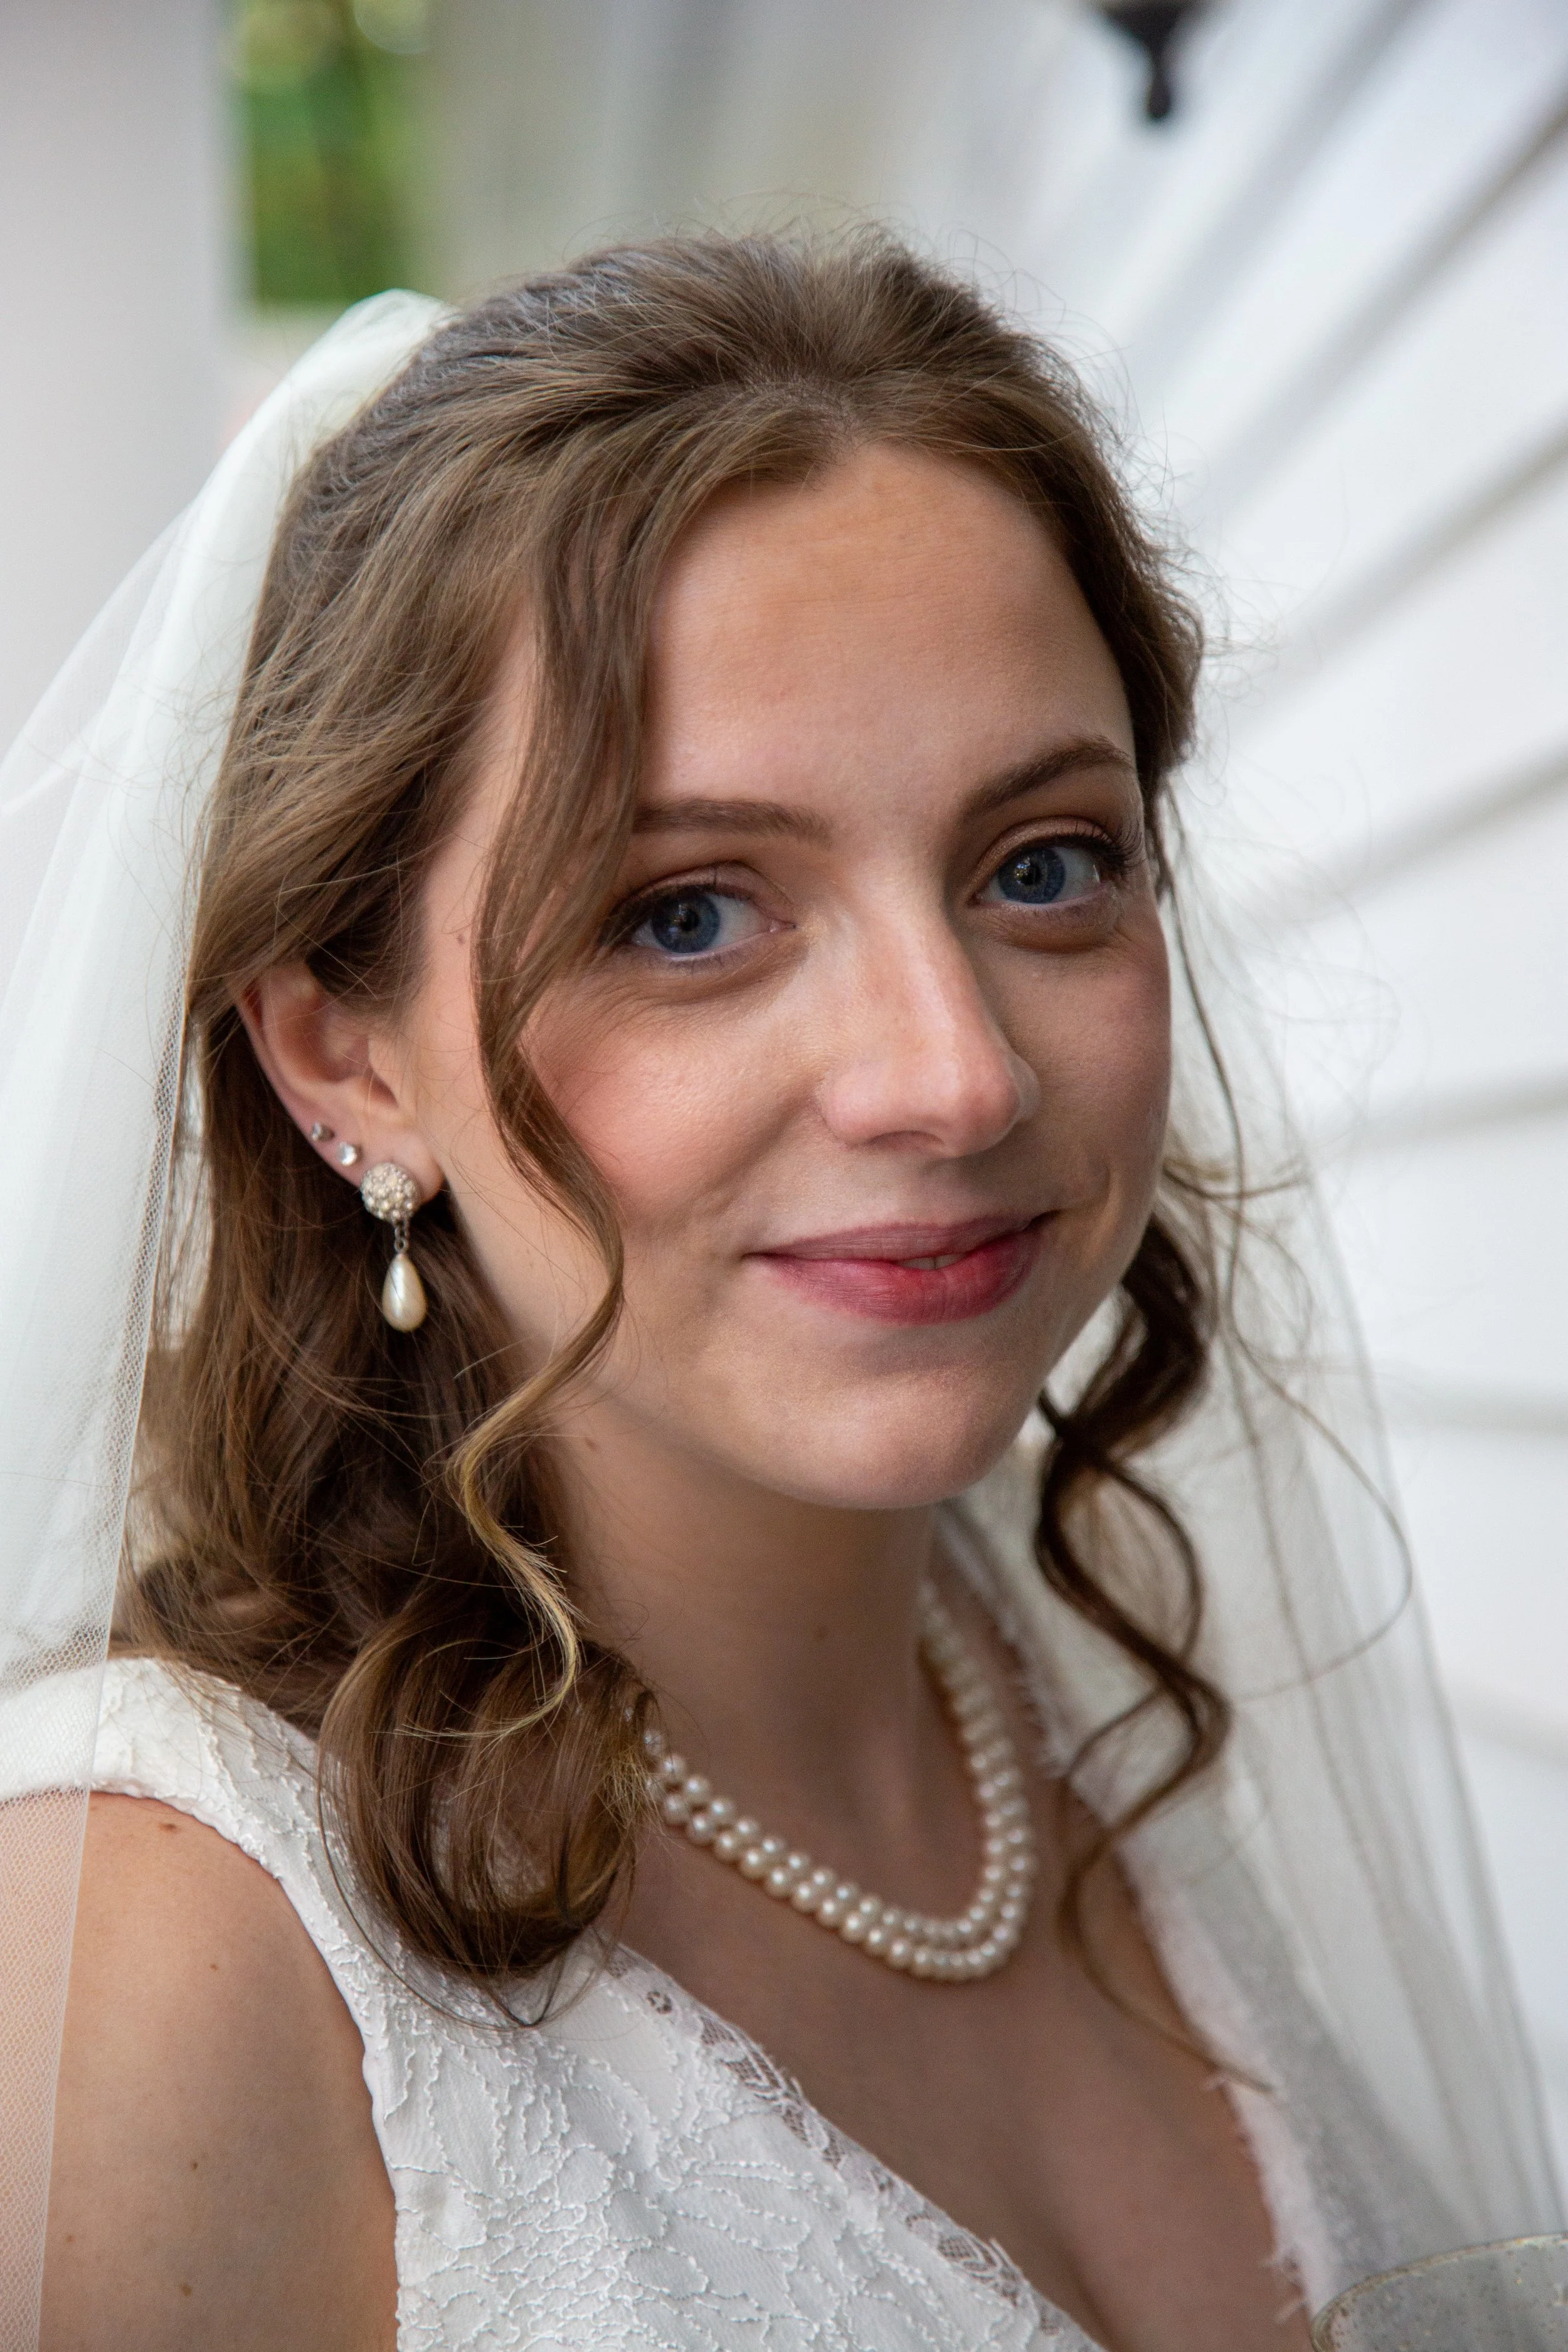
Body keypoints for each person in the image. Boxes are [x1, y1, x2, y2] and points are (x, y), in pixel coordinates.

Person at [6, 235, 1557, 2352]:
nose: (956, 1072)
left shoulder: (1082, 1678)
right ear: (345, 1059)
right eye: (689, 913)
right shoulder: (150, 1970)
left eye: (1042, 865)